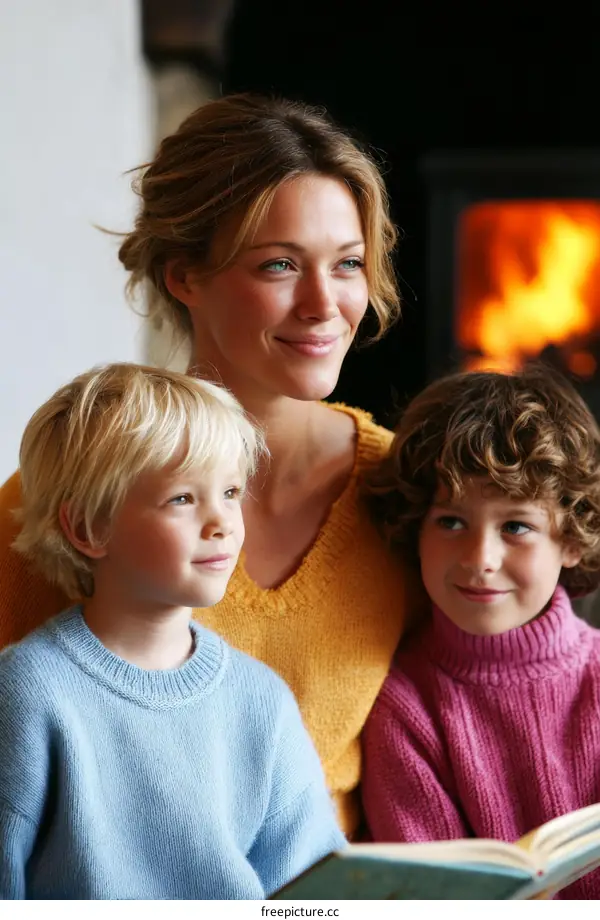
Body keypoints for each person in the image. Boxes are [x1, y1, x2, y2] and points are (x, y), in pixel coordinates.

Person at [0, 93, 421, 837]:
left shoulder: (410, 490)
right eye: (280, 264)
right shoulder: (68, 491)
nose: (326, 304)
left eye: (349, 264)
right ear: (183, 274)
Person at [0, 362, 344, 900]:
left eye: (231, 492)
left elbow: (314, 892)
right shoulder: (29, 688)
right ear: (90, 528)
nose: (223, 523)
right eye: (183, 498)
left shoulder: (262, 701)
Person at [361, 364, 600, 899]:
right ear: (414, 528)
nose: (481, 559)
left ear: (572, 538)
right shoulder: (404, 705)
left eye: (516, 526)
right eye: (451, 522)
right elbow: (430, 897)